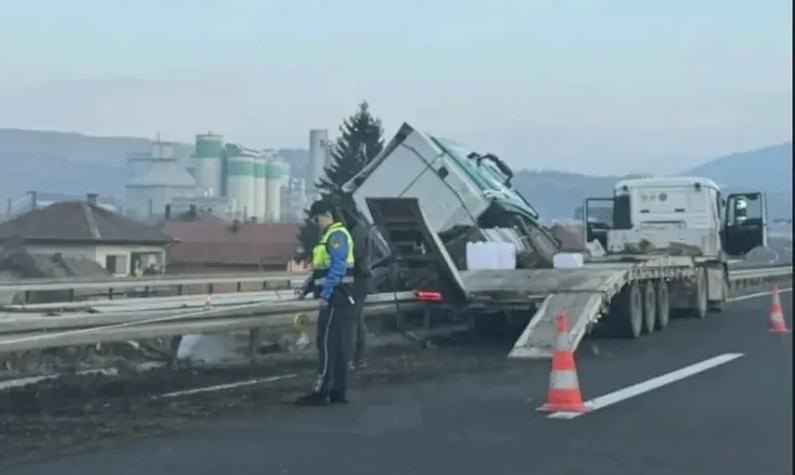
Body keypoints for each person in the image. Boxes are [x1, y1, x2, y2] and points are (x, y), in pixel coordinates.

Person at [295, 199, 357, 406]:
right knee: (337, 346)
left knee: (326, 344)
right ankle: (337, 392)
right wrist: (306, 288)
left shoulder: (336, 235)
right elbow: (321, 271)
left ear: (326, 215)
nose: (316, 224)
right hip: (339, 296)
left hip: (335, 297)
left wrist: (325, 294)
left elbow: (337, 268)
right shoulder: (332, 235)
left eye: (316, 219)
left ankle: (321, 392)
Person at [349, 220, 374, 369]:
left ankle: (357, 357)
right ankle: (358, 357)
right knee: (356, 319)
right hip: (359, 281)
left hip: (357, 281)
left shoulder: (356, 232)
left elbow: (357, 259)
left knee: (355, 320)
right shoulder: (359, 229)